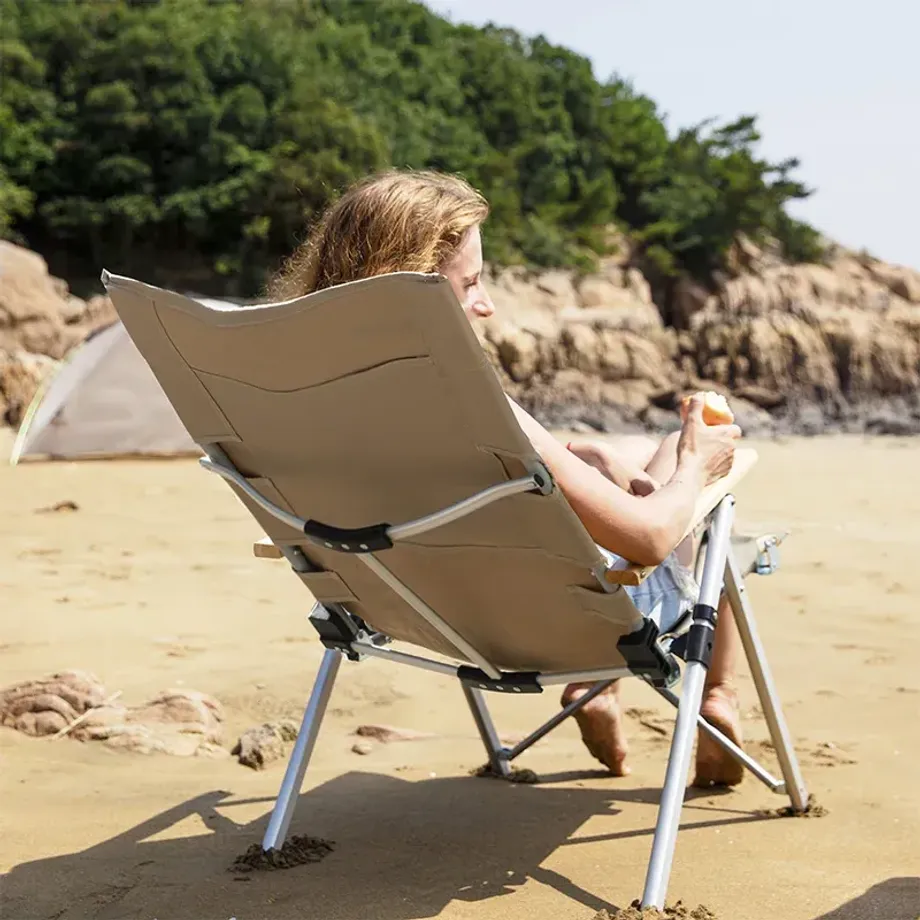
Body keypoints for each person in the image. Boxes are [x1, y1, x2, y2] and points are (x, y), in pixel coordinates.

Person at [268, 169, 745, 787]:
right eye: (470, 284)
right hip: (555, 628)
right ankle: (717, 698)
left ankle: (594, 688)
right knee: (704, 507)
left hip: (411, 610)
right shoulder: (471, 405)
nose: (486, 304)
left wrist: (575, 454)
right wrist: (696, 464)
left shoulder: (300, 403)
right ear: (411, 291)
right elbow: (650, 539)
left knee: (627, 464)